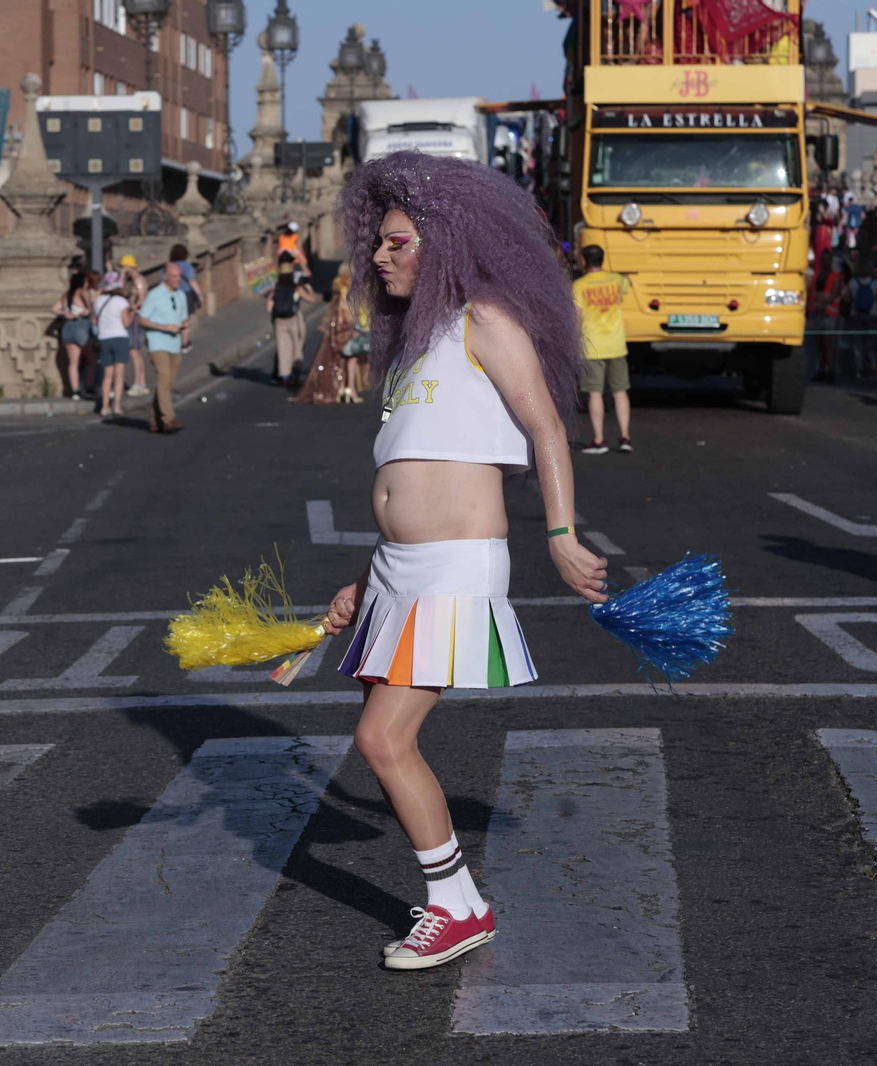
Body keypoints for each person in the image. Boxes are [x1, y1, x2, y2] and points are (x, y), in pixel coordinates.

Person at [324, 151, 607, 971]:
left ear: (442, 240)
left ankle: (458, 906)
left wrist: (560, 535)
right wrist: (367, 580)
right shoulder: (414, 340)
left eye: (398, 242)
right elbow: (413, 469)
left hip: (454, 568)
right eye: (378, 242)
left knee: (382, 739)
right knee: (382, 739)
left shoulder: (485, 317)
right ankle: (457, 901)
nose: (380, 255)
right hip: (398, 571)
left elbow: (548, 427)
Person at [572, 244, 632, 453]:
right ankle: (625, 437)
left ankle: (599, 440)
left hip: (593, 346)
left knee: (595, 393)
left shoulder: (579, 285)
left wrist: (575, 340)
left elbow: (577, 316)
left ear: (584, 261)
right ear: (602, 259)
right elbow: (629, 283)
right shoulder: (616, 281)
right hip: (617, 344)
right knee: (620, 391)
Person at [294, 266, 361, 404]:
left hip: (336, 330)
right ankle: (350, 389)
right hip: (345, 329)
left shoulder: (337, 290)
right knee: (351, 358)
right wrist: (353, 327)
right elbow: (346, 312)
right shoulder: (346, 290)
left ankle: (342, 389)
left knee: (341, 358)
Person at [137, 261, 190, 433]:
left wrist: (184, 338)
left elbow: (184, 319)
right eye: (174, 276)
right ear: (165, 277)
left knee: (166, 384)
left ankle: (155, 420)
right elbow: (141, 319)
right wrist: (164, 327)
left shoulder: (181, 295)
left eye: (179, 276)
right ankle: (169, 420)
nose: (178, 279)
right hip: (158, 342)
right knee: (164, 377)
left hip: (175, 344)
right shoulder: (154, 295)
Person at [268, 250, 318, 386]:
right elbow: (308, 276)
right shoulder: (296, 281)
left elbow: (269, 306)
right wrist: (300, 259)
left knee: (283, 348)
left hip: (278, 318)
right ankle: (295, 374)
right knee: (297, 346)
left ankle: (283, 376)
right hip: (294, 317)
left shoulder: (275, 281)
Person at [91, 271, 132, 419]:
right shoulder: (122, 302)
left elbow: (94, 321)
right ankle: (117, 406)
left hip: (104, 338)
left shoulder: (98, 301)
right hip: (119, 337)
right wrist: (132, 312)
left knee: (107, 375)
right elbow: (126, 323)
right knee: (119, 375)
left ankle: (104, 407)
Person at [51, 270, 92, 400]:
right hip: (81, 326)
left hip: (67, 327)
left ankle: (75, 391)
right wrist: (85, 311)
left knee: (73, 362)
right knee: (92, 358)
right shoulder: (82, 292)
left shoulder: (66, 295)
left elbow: (54, 309)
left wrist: (65, 314)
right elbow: (90, 308)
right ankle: (90, 385)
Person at [118, 254, 152, 398]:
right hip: (134, 316)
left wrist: (131, 307)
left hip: (136, 317)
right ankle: (140, 382)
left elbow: (141, 301)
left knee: (134, 350)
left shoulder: (139, 281)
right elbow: (119, 289)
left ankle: (140, 382)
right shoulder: (133, 281)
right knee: (134, 351)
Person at [809, 249, 845, 381]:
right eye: (823, 259)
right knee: (819, 343)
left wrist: (824, 303)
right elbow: (812, 292)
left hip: (829, 313)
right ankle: (821, 369)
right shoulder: (816, 275)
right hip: (817, 313)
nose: (825, 261)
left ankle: (830, 370)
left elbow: (835, 293)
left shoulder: (836, 276)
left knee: (828, 343)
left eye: (827, 259)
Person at [168, 243, 205, 353]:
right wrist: (199, 294)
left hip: (172, 294)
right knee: (185, 320)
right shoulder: (187, 266)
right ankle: (184, 344)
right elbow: (192, 281)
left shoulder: (168, 266)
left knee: (173, 318)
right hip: (186, 294)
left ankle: (173, 342)